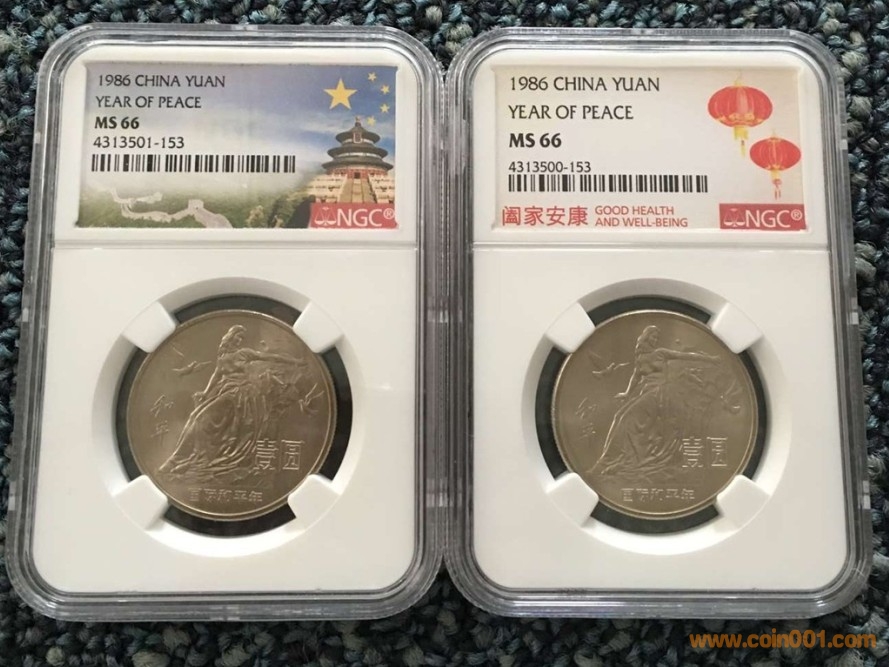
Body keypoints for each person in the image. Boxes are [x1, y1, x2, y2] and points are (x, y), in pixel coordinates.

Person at [159, 324, 303, 479]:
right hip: (226, 392)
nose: (239, 340)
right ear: (229, 337)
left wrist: (294, 361)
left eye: (241, 338)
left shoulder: (244, 353)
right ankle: (181, 458)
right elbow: (216, 376)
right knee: (195, 415)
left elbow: (270, 357)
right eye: (237, 337)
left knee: (201, 418)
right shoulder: (222, 359)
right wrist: (206, 393)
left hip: (241, 394)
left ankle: (185, 459)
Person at [590, 325, 720, 481]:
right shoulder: (640, 359)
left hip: (661, 394)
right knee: (619, 415)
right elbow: (635, 378)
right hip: (647, 393)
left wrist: (709, 359)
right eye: (652, 337)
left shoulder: (661, 353)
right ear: (645, 338)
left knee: (626, 418)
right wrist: (627, 393)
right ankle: (611, 458)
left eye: (656, 338)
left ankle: (609, 461)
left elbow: (685, 356)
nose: (655, 340)